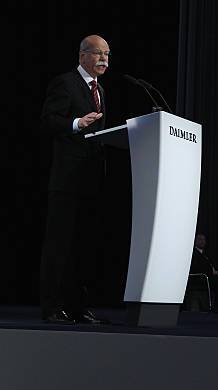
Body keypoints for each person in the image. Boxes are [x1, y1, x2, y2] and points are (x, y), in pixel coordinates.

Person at [39, 35, 111, 324]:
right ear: (82, 56)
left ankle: (78, 306)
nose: (104, 59)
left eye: (107, 54)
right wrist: (76, 123)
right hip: (67, 181)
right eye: (98, 53)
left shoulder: (100, 89)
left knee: (83, 245)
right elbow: (47, 121)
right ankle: (52, 306)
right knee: (60, 245)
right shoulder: (65, 83)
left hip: (90, 180)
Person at [185, 234, 218, 312]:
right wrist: (212, 272)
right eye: (200, 239)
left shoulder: (206, 255)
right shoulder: (192, 254)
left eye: (204, 239)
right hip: (197, 281)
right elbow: (196, 267)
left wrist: (214, 271)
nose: (202, 241)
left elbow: (210, 267)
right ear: (195, 241)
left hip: (207, 283)